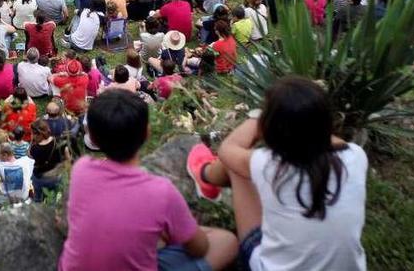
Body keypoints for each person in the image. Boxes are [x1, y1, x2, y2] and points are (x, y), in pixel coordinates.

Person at [187, 76, 367, 271]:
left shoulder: (270, 164)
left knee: (236, 166)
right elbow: (321, 138)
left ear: (271, 127)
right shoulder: (356, 156)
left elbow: (227, 149)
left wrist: (257, 120)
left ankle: (204, 175)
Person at [59, 89, 237, 271]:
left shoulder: (81, 170)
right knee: (227, 241)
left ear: (93, 138)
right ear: (147, 132)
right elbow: (200, 248)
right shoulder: (162, 192)